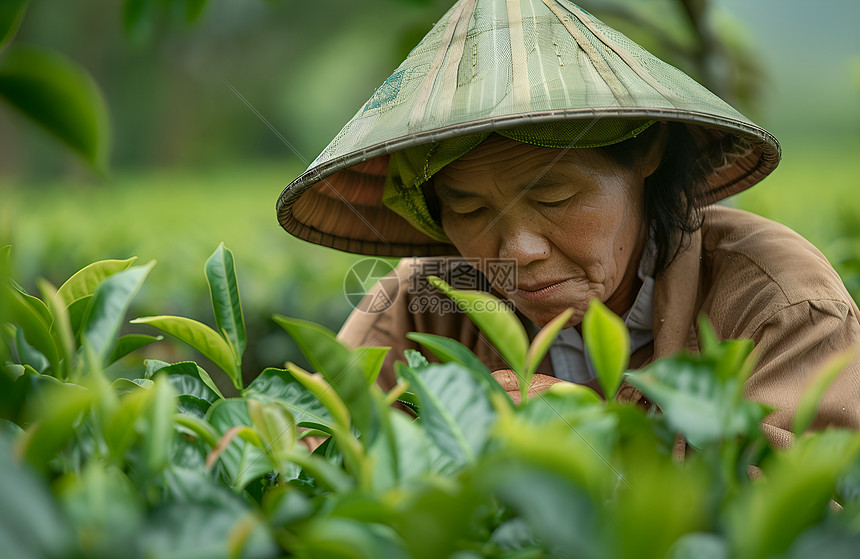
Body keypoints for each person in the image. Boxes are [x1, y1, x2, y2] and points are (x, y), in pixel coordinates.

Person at [276, 0, 860, 447]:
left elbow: (812, 519)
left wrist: (593, 434)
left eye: (554, 197)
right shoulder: (424, 302)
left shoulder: (778, 305)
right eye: (471, 210)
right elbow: (313, 458)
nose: (519, 250)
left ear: (645, 156)